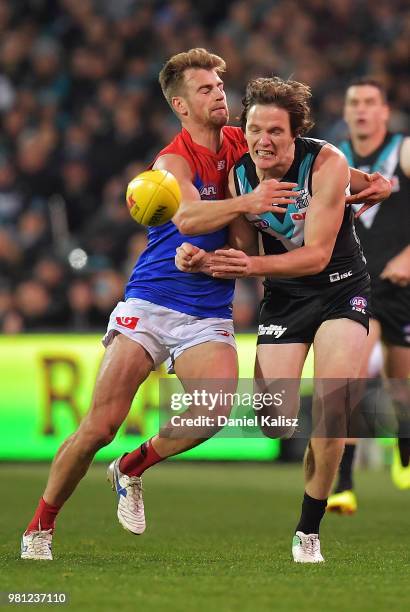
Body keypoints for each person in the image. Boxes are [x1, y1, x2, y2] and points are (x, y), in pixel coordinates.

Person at [21, 49, 390, 561]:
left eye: (219, 85)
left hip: (210, 310)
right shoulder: (173, 160)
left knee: (215, 412)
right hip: (153, 301)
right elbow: (191, 218)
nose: (219, 92)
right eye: (205, 88)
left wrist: (371, 179)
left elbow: (306, 160)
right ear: (180, 104)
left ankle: (133, 466)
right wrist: (246, 205)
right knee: (99, 426)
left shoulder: (246, 142)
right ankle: (41, 524)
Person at [175, 76, 380, 563]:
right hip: (285, 300)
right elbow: (244, 248)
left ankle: (308, 530)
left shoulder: (326, 163)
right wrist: (204, 260)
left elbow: (315, 256)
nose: (263, 141)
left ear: (296, 134)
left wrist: (251, 266)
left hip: (339, 291)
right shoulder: (241, 177)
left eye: (275, 132)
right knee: (274, 422)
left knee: (333, 413)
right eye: (253, 130)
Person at [327, 78, 410, 515]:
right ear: (345, 112)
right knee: (352, 375)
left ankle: (405, 444)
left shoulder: (403, 150)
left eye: (370, 103)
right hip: (356, 284)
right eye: (354, 102)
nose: (361, 110)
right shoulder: (332, 158)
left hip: (403, 286)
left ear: (384, 111)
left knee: (402, 389)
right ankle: (343, 481)